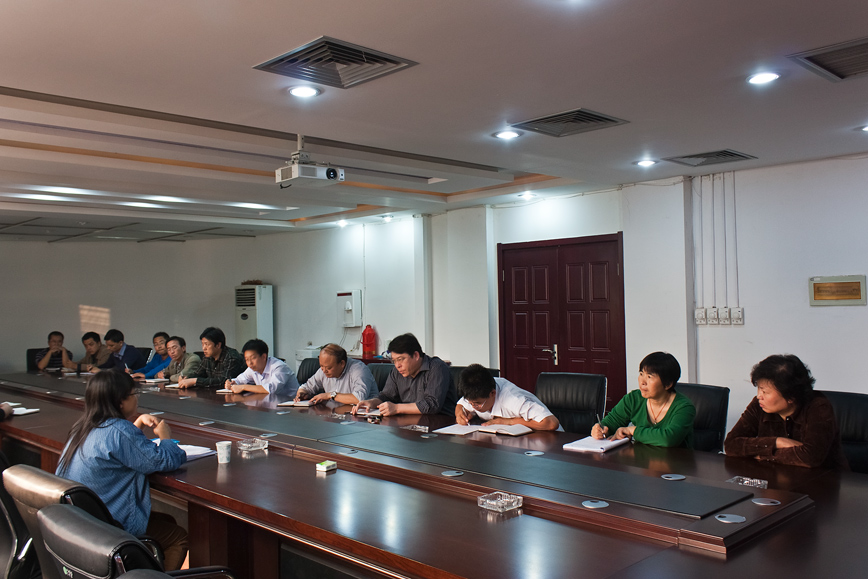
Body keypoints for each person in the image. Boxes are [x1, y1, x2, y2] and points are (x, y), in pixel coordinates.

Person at [55, 372, 188, 570]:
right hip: (110, 527)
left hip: (81, 524)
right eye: (134, 394)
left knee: (166, 521)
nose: (137, 398)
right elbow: (167, 460)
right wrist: (165, 437)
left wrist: (136, 425)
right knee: (179, 538)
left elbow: (118, 446)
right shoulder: (119, 431)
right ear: (120, 402)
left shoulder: (81, 428)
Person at [724, 354, 848, 469]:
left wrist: (765, 455)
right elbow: (730, 444)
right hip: (775, 477)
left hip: (824, 479)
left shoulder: (819, 407)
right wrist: (778, 442)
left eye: (765, 392)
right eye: (759, 389)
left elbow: (811, 457)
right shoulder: (759, 405)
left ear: (790, 397)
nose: (759, 396)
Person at [592, 352, 695, 448]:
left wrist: (633, 431)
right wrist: (600, 430)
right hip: (641, 459)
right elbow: (610, 423)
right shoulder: (633, 399)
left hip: (676, 460)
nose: (642, 382)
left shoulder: (684, 407)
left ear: (668, 384)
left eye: (649, 377)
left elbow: (668, 439)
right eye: (641, 374)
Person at [353, 333, 457, 416]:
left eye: (400, 359)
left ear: (416, 355)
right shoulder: (397, 371)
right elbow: (386, 396)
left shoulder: (437, 367)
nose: (397, 365)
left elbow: (431, 405)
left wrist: (397, 408)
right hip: (410, 424)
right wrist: (372, 402)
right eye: (394, 361)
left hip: (440, 425)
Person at [456, 364, 561, 431]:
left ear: (492, 393)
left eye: (477, 404)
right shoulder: (476, 390)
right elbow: (460, 405)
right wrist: (460, 413)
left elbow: (551, 423)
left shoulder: (513, 400)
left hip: (551, 443)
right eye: (470, 403)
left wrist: (508, 421)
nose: (473, 407)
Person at [295, 344, 378, 405]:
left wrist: (331, 395)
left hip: (363, 416)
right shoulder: (323, 370)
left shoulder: (359, 370)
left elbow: (359, 398)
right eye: (321, 366)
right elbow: (306, 387)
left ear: (342, 363)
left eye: (329, 368)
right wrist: (301, 394)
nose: (324, 370)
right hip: (336, 414)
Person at [225, 339, 299, 396]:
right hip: (268, 404)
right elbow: (240, 379)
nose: (249, 363)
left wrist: (243, 387)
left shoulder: (279, 367)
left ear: (264, 357)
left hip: (290, 405)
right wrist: (232, 382)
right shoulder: (252, 368)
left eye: (253, 358)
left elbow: (272, 389)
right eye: (247, 359)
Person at [177, 327, 245, 389]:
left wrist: (195, 381)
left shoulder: (231, 357)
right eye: (202, 344)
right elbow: (198, 374)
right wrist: (187, 378)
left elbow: (223, 381)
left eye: (207, 344)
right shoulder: (208, 357)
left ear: (218, 345)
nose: (204, 348)